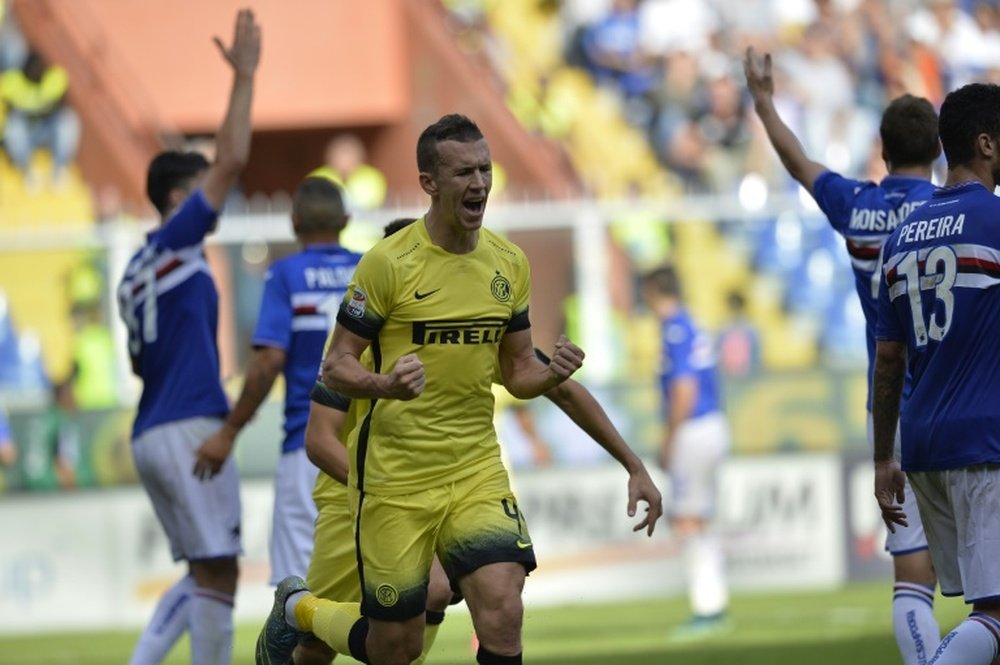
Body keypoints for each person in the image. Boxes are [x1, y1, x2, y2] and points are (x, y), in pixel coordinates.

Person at [256, 114, 658, 665]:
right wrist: (383, 391)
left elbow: (523, 373)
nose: (479, 183)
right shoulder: (383, 272)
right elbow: (331, 381)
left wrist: (630, 461)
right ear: (429, 183)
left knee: (501, 602)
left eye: (485, 169)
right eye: (464, 171)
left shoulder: (506, 264)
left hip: (473, 471)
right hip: (387, 484)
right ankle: (299, 608)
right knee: (388, 648)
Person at [744, 46, 943, 664]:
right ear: (939, 152)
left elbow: (799, 163)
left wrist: (764, 102)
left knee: (912, 573)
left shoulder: (857, 206)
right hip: (965, 396)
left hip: (891, 409)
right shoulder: (956, 212)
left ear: (881, 150)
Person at [114, 9, 260, 665]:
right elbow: (232, 156)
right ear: (179, 196)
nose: (214, 192)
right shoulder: (178, 243)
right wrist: (245, 78)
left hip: (151, 427)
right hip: (190, 425)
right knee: (220, 570)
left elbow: (140, 355)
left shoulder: (136, 268)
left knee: (205, 569)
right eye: (199, 187)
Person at [874, 81, 1000, 665]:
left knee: (988, 612)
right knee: (996, 615)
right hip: (985, 443)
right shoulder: (993, 221)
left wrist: (883, 457)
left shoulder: (900, 238)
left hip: (923, 445)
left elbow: (889, 359)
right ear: (986, 144)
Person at [194, 176, 360, 583]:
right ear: (346, 219)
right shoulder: (370, 268)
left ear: (293, 222)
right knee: (372, 583)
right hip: (369, 443)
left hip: (307, 445)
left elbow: (268, 361)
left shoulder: (286, 275)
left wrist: (230, 430)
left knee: (297, 588)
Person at [640, 266, 730, 640]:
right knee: (700, 518)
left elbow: (684, 389)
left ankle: (706, 609)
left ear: (654, 291)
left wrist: (668, 438)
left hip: (692, 428)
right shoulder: (691, 323)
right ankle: (715, 604)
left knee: (687, 520)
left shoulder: (675, 328)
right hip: (712, 425)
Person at [0, 49, 80, 189]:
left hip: (47, 130)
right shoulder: (11, 83)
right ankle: (27, 172)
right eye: (31, 70)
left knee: (69, 120)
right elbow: (7, 113)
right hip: (27, 133)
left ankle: (59, 170)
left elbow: (62, 107)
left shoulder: (55, 79)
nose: (34, 72)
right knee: (13, 126)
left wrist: (41, 109)